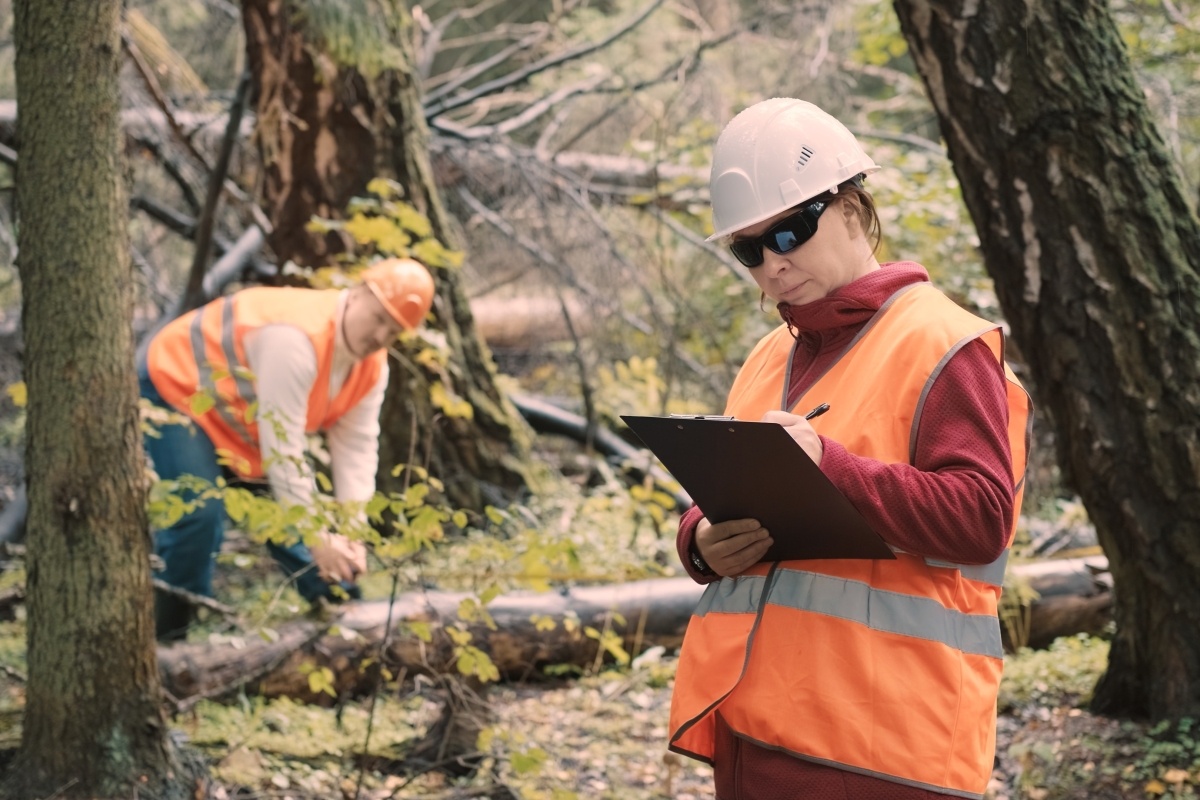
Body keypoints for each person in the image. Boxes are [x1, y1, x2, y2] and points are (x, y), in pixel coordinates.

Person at [668, 99, 1030, 800]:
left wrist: (831, 469)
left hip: (883, 747)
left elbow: (983, 519)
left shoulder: (942, 343)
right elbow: (713, 498)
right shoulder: (767, 357)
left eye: (791, 231)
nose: (772, 264)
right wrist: (701, 542)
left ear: (852, 207)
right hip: (756, 728)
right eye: (748, 248)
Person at [140, 258, 436, 640]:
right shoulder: (295, 337)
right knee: (199, 511)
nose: (380, 335)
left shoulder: (371, 367)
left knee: (298, 528)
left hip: (243, 422)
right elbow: (283, 452)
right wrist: (318, 537)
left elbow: (357, 448)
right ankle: (168, 644)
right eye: (379, 317)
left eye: (393, 331)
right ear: (359, 292)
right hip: (179, 387)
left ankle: (346, 615)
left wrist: (350, 534)